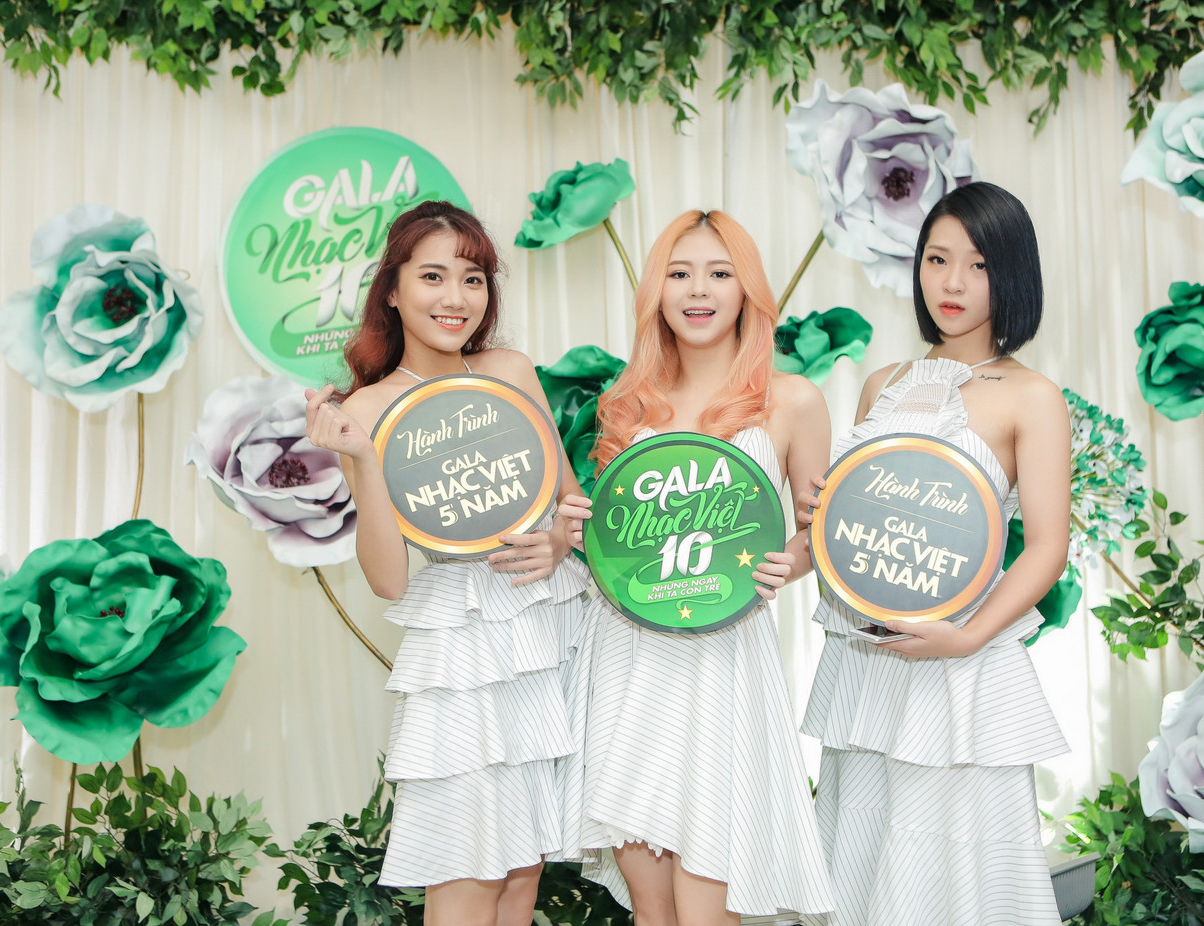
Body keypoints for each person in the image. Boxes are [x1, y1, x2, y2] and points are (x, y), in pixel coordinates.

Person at [303, 200, 591, 926]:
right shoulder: (367, 409)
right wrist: (364, 460)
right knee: (467, 870)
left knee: (522, 875)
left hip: (544, 629)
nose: (455, 297)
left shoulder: (510, 371)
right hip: (464, 647)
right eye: (432, 276)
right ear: (393, 291)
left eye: (473, 278)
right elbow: (388, 580)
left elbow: (569, 501)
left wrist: (559, 541)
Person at [797, 181, 1072, 925]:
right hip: (869, 661)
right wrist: (825, 518)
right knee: (863, 849)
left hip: (962, 671)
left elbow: (1047, 548)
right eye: (937, 259)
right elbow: (855, 523)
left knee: (951, 859)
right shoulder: (882, 384)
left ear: (1012, 274)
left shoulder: (1032, 396)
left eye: (978, 265)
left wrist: (967, 637)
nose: (952, 283)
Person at [562, 209, 836, 926]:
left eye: (720, 273)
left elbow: (820, 531)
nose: (698, 290)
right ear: (656, 291)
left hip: (724, 659)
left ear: (748, 290)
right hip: (628, 657)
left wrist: (785, 566)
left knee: (711, 898)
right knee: (651, 907)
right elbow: (617, 541)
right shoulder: (625, 404)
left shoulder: (792, 400)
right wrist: (578, 531)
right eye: (679, 274)